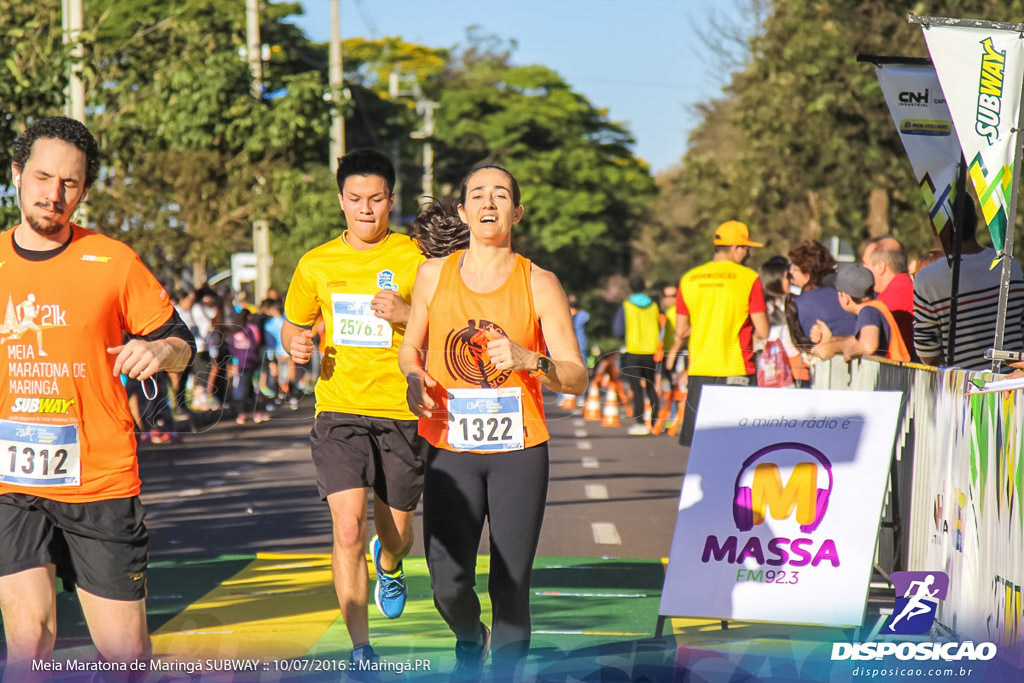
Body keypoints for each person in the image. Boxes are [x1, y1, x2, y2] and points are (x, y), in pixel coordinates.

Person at [0, 116, 195, 678]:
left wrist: (161, 354)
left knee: (125, 654)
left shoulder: (112, 261)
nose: (53, 194)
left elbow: (183, 342)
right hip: (14, 481)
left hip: (99, 478)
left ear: (83, 190)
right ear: (17, 174)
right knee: (28, 637)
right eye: (41, 177)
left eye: (69, 183)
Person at [398, 165, 587, 680]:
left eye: (500, 195)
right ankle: (468, 635)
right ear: (462, 212)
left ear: (516, 212)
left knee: (510, 581)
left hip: (520, 451)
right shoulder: (434, 274)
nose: (489, 203)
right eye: (477, 195)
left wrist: (532, 360)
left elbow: (577, 376)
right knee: (448, 584)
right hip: (448, 447)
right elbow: (411, 348)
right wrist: (415, 378)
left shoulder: (541, 283)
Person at [282, 148, 427, 672]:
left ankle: (389, 562)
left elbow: (444, 329)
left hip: (402, 411)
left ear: (391, 200)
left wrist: (409, 314)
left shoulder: (417, 258)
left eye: (377, 199)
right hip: (338, 409)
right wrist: (295, 344)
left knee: (395, 532)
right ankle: (360, 648)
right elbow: (293, 324)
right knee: (346, 527)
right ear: (341, 200)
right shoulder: (317, 263)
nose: (366, 209)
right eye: (355, 199)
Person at [666, 220, 769, 448]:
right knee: (734, 443)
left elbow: (681, 330)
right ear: (736, 248)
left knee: (700, 444)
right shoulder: (749, 278)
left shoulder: (689, 278)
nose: (748, 255)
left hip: (700, 368)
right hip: (736, 368)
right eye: (747, 249)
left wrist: (705, 321)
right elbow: (763, 330)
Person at [914, 200, 1024, 370]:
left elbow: (927, 352)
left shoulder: (927, 279)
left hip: (965, 388)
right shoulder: (1009, 265)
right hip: (1014, 387)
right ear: (976, 222)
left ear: (935, 226)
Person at [810, 263, 911, 362]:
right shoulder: (876, 308)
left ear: (845, 297)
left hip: (892, 376)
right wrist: (831, 341)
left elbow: (868, 346)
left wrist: (848, 351)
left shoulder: (868, 311)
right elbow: (858, 340)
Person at [613, 276, 661, 435]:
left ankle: (640, 423)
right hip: (651, 351)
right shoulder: (654, 305)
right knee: (651, 386)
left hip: (633, 351)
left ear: (630, 288)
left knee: (636, 388)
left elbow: (618, 329)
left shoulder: (626, 305)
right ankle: (655, 421)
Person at [786, 239, 856, 344]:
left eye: (794, 269)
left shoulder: (801, 302)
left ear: (807, 275)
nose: (790, 272)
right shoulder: (849, 291)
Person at [861, 235, 917, 362]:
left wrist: (835, 345)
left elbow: (870, 341)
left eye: (865, 264)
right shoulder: (905, 287)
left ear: (881, 267)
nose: (862, 269)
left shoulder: (891, 298)